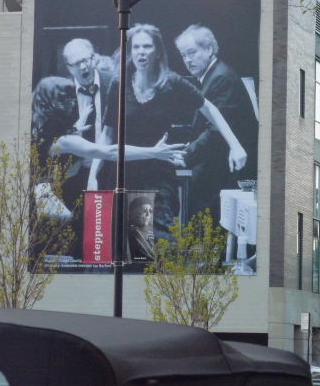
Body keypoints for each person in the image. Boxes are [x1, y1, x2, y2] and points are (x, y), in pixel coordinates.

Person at [92, 23, 247, 242]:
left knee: (147, 247)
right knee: (122, 248)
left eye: (147, 46)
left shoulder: (170, 82)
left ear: (157, 51)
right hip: (123, 173)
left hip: (156, 176)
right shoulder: (119, 84)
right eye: (136, 47)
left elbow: (210, 108)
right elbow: (107, 134)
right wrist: (92, 177)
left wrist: (235, 145)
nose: (141, 52)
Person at [31, 76, 185, 260]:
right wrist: (153, 152)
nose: (72, 104)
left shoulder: (37, 129)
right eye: (66, 100)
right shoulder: (64, 141)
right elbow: (111, 152)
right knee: (74, 229)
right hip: (42, 198)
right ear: (55, 104)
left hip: (36, 194)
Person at [175, 25, 258, 219]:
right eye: (183, 55)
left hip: (221, 175)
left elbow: (215, 132)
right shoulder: (214, 75)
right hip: (218, 173)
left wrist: (184, 156)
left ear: (209, 49)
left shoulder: (221, 78)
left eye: (192, 52)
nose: (188, 60)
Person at [127, 195, 155, 262]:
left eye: (150, 211)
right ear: (132, 213)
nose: (148, 214)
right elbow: (152, 259)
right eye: (144, 210)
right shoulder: (134, 231)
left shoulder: (141, 231)